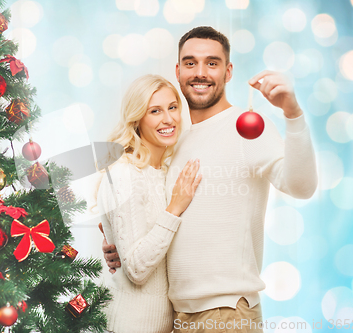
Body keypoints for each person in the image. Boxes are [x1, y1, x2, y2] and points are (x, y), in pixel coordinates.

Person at [101, 26, 318, 333]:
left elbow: (301, 186)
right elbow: (166, 220)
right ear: (178, 71)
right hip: (177, 317)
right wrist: (122, 243)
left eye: (212, 63)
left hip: (227, 313)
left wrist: (293, 113)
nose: (200, 72)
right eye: (190, 63)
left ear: (228, 72)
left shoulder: (247, 128)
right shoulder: (174, 144)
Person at [95, 74, 202, 333]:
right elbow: (136, 269)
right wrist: (174, 208)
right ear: (137, 119)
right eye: (155, 111)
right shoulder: (123, 173)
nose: (168, 119)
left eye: (172, 107)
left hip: (164, 324)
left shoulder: (163, 171)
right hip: (131, 324)